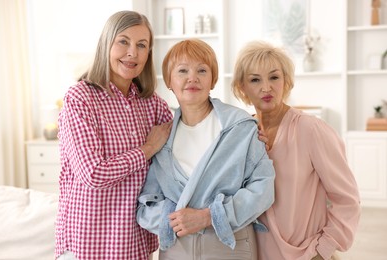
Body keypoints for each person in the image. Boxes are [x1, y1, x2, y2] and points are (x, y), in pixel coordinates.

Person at [136, 38, 275, 260]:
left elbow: (263, 188)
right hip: (176, 248)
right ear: (169, 81)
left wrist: (209, 217)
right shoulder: (162, 137)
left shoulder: (239, 127)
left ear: (213, 80)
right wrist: (170, 219)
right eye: (182, 71)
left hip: (230, 245)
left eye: (202, 70)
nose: (193, 78)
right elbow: (147, 199)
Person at [55, 10, 173, 260]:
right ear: (106, 44)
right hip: (88, 244)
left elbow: (192, 134)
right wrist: (147, 149)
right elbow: (93, 173)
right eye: (123, 41)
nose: (133, 52)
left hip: (135, 243)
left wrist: (247, 128)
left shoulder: (151, 104)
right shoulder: (80, 98)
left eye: (142, 45)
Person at [231, 40, 361, 260]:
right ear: (242, 88)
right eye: (255, 80)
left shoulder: (311, 129)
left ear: (286, 81)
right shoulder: (241, 134)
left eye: (274, 77)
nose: (266, 88)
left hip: (306, 254)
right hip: (253, 253)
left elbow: (347, 199)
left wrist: (323, 250)